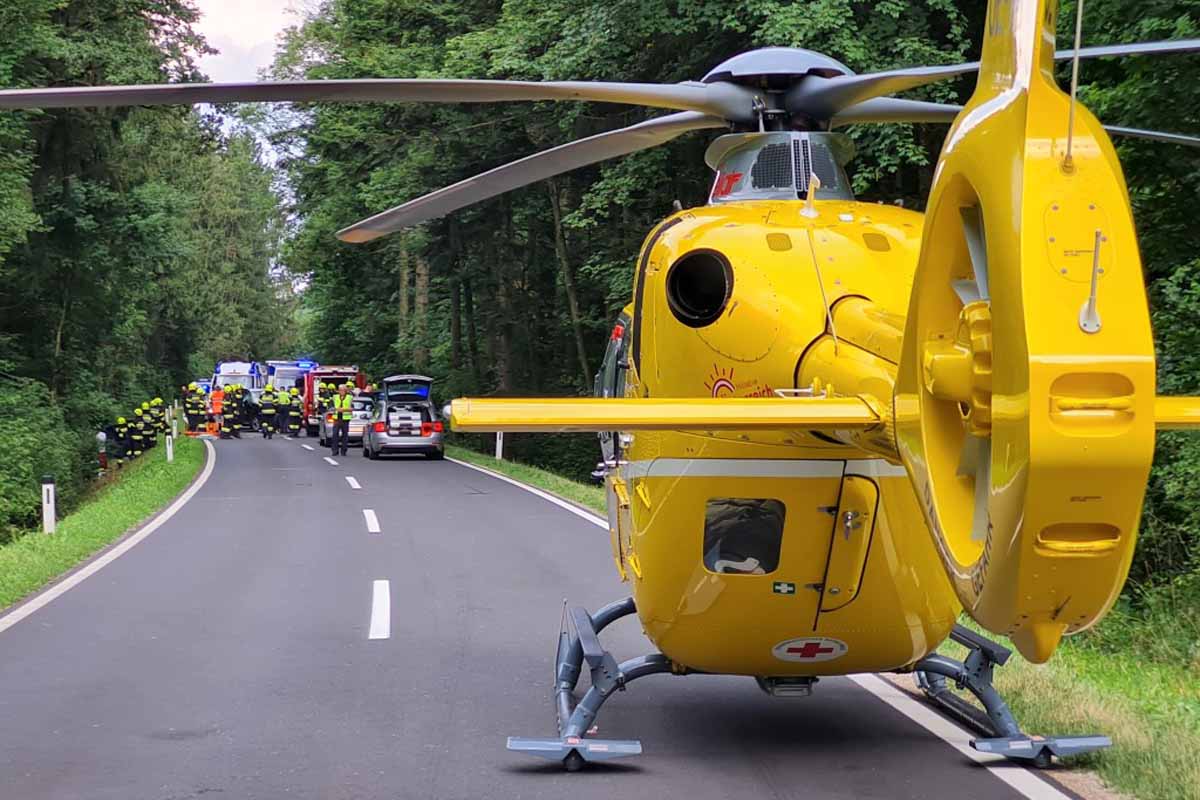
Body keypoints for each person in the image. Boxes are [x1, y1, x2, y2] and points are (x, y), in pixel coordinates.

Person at [329, 382, 353, 457]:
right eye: (340, 390)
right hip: (336, 419)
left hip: (345, 419)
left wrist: (343, 409)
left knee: (345, 436)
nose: (341, 391)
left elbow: (351, 408)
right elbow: (330, 407)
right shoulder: (335, 397)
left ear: (345, 391)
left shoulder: (350, 397)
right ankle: (334, 451)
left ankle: (343, 451)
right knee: (335, 435)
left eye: (343, 390)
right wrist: (335, 409)